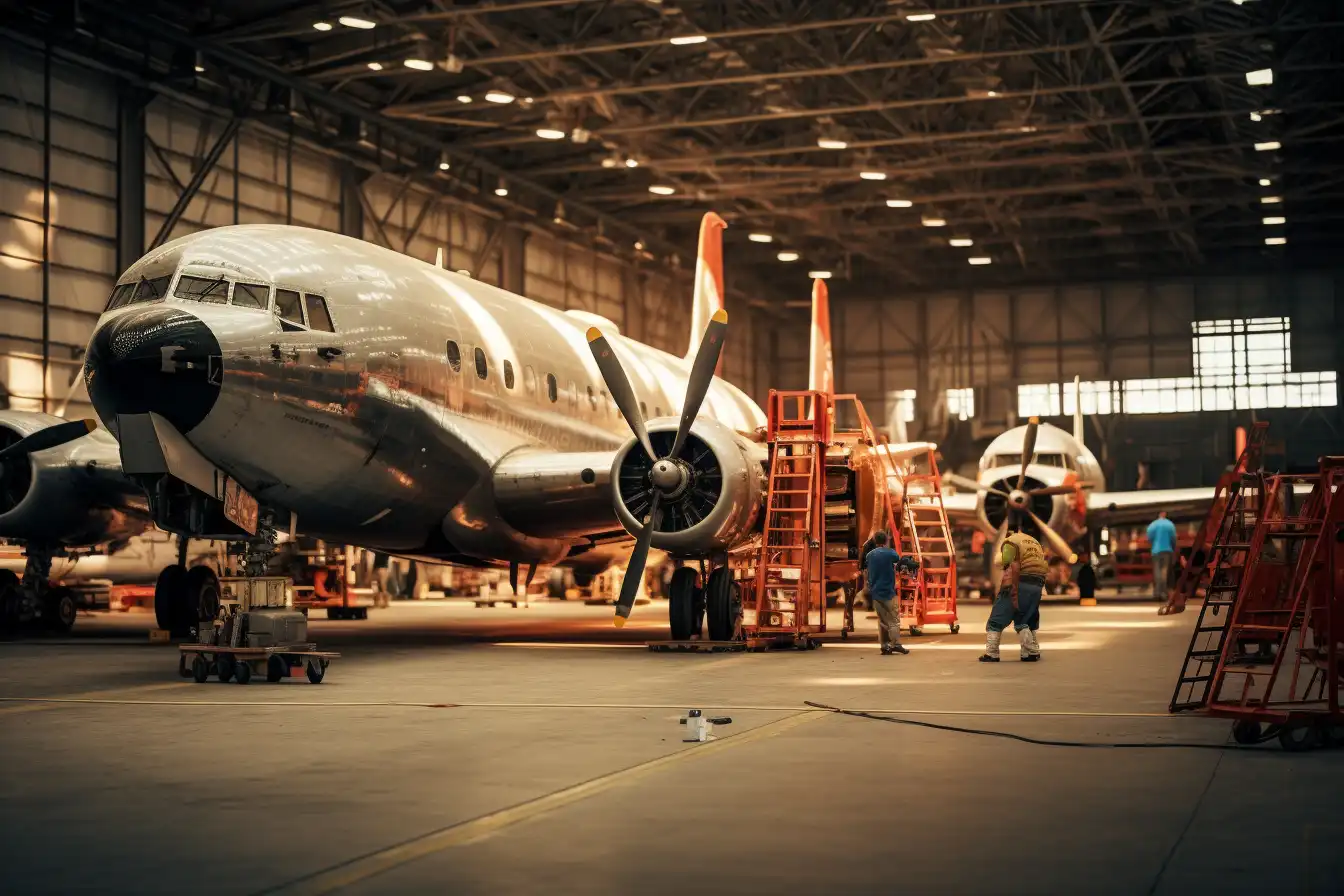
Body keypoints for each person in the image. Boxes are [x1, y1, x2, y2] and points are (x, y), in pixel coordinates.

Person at [980, 528, 1048, 662]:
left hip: (1018, 581)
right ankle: (1031, 651)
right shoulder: (1034, 542)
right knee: (1026, 618)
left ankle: (991, 653)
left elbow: (1007, 562)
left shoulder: (1010, 542)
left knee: (996, 620)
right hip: (1037, 583)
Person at [863, 531, 910, 656]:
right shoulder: (891, 553)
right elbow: (899, 564)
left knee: (882, 620)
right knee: (894, 620)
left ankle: (885, 646)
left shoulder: (869, 555)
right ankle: (896, 644)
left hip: (876, 593)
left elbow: (866, 569)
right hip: (888, 592)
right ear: (886, 540)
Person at [1146, 511, 1178, 603]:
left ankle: (1157, 593)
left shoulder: (1153, 525)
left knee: (1157, 572)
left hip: (1156, 551)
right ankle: (1163, 593)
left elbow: (1149, 537)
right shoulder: (1170, 524)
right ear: (1165, 514)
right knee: (1164, 572)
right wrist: (1173, 547)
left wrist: (1153, 543)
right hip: (1167, 550)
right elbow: (1173, 539)